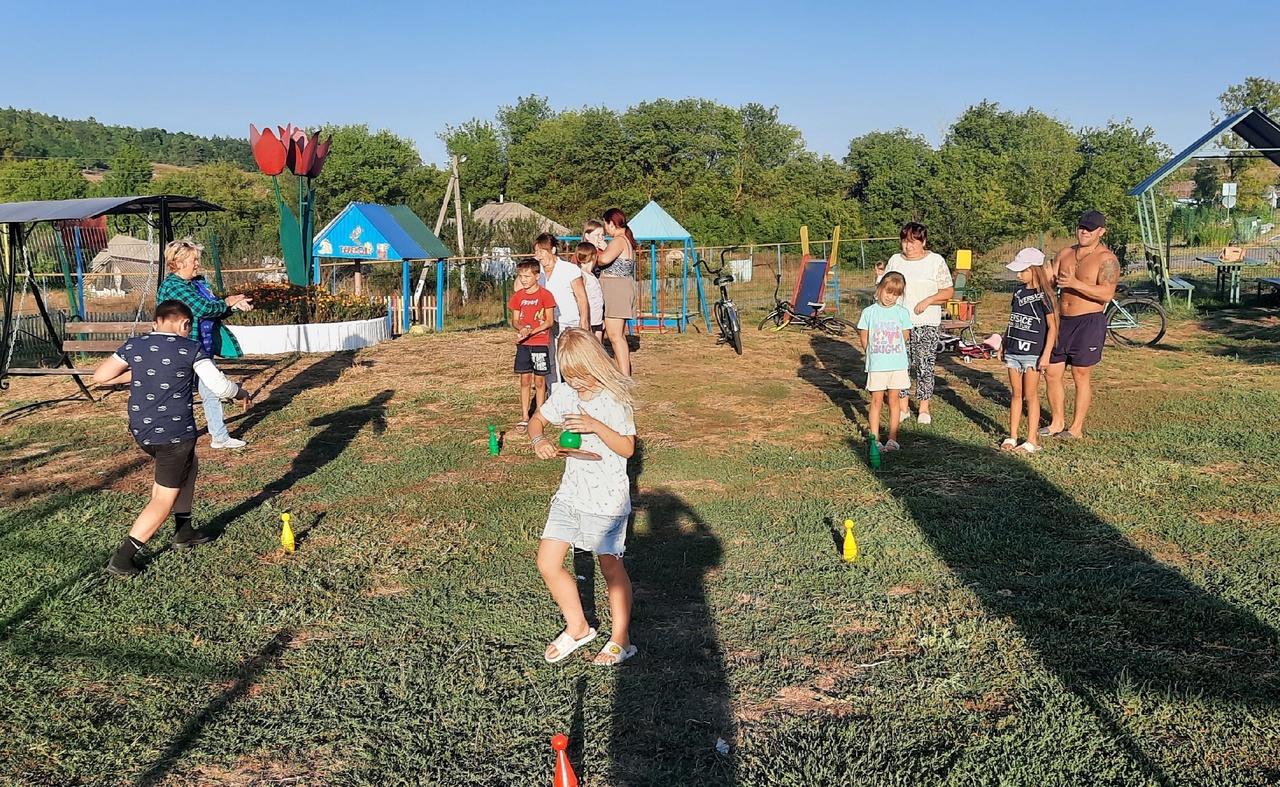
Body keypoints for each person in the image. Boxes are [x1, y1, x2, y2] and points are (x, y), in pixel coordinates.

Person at [92, 300, 252, 577]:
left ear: (155, 323)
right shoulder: (190, 348)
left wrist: (140, 373)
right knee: (163, 498)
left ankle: (184, 530)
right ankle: (123, 558)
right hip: (175, 433)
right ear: (184, 324)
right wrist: (240, 393)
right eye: (187, 328)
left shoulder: (134, 345)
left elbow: (101, 376)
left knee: (190, 467)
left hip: (143, 431)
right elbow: (217, 385)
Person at [528, 328, 638, 666]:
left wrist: (595, 426)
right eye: (569, 376)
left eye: (582, 375)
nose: (576, 383)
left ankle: (621, 638)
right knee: (547, 562)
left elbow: (628, 449)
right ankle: (577, 627)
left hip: (606, 499)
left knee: (610, 565)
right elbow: (536, 420)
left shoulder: (614, 399)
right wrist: (539, 441)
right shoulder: (564, 393)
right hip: (571, 494)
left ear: (596, 364)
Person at [155, 239, 254, 449]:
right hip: (177, 350)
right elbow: (202, 308)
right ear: (179, 262)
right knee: (176, 396)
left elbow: (213, 308)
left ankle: (219, 436)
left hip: (199, 348)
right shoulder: (173, 286)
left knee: (210, 392)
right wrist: (228, 301)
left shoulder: (196, 284)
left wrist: (234, 305)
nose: (197, 263)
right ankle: (167, 435)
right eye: (194, 260)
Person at [1043, 210, 1119, 439]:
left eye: (1090, 229)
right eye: (1081, 227)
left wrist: (1076, 283)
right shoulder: (1066, 253)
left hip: (1088, 322)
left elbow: (1106, 294)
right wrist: (1047, 277)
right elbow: (1051, 283)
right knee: (1052, 373)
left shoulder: (1107, 259)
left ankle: (1076, 428)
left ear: (1101, 231)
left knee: (1080, 375)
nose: (1084, 232)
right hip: (1061, 320)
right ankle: (1057, 422)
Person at [881, 222, 954, 425]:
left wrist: (929, 300)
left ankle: (924, 407)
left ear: (923, 241)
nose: (908, 246)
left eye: (913, 242)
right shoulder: (895, 261)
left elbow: (948, 291)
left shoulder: (935, 261)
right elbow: (885, 288)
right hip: (898, 324)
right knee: (900, 366)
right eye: (905, 241)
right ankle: (903, 406)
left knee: (924, 365)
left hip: (926, 322)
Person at [998, 248, 1060, 453]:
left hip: (1033, 353)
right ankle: (1012, 435)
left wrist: (1046, 355)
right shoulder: (1018, 292)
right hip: (1013, 351)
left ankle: (1032, 440)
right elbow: (1013, 319)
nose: (1018, 275)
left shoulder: (1045, 296)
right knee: (1016, 394)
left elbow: (1052, 327)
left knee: (1031, 395)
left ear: (1034, 269)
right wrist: (1004, 342)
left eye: (1022, 270)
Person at [857, 272, 913, 451]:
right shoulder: (869, 312)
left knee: (894, 400)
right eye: (888, 292)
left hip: (897, 365)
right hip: (877, 366)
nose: (891, 297)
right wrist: (872, 354)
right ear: (880, 289)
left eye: (896, 294)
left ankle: (893, 438)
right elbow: (864, 336)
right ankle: (875, 438)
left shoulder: (902, 313)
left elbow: (905, 336)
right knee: (876, 401)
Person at [508, 258, 557, 433]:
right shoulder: (518, 297)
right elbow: (514, 320)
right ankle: (524, 416)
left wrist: (533, 331)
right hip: (523, 344)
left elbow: (549, 321)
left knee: (540, 380)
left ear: (537, 276)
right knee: (525, 380)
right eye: (521, 276)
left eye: (527, 276)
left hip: (540, 343)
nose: (523, 279)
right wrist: (521, 328)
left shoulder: (545, 295)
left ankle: (539, 414)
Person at [533, 233, 590, 383]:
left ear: (552, 250)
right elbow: (520, 286)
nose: (538, 255)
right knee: (550, 359)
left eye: (542, 251)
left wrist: (584, 320)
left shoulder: (569, 269)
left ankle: (577, 390)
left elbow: (581, 296)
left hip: (568, 321)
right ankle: (554, 394)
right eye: (536, 251)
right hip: (545, 322)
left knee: (571, 360)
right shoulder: (536, 271)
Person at [594, 209, 639, 376]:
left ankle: (624, 375)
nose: (606, 229)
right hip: (620, 288)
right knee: (617, 334)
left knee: (615, 336)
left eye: (606, 224)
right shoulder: (625, 240)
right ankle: (621, 372)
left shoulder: (619, 240)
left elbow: (604, 260)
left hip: (615, 289)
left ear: (611, 223)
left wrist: (592, 257)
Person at [573, 241, 606, 341]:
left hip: (597, 319)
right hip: (589, 320)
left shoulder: (592, 275)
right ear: (594, 257)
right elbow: (579, 297)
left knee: (598, 346)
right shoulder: (582, 275)